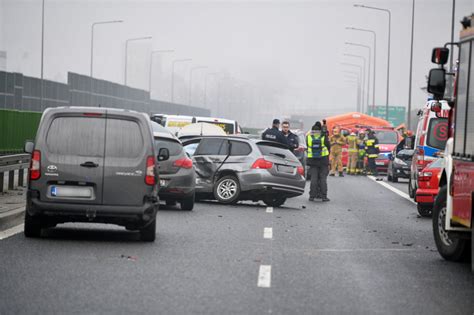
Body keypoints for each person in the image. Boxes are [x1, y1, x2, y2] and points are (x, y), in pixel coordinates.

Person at [306, 121, 330, 202]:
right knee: (323, 178)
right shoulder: (323, 137)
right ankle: (324, 196)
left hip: (312, 160)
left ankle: (311, 196)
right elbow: (328, 146)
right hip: (323, 160)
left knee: (313, 179)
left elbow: (307, 146)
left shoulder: (308, 137)